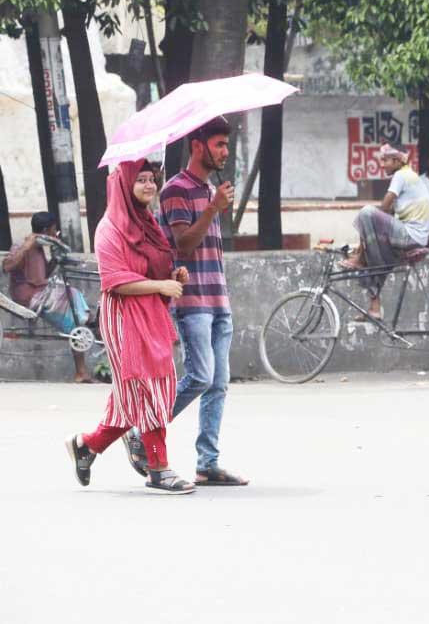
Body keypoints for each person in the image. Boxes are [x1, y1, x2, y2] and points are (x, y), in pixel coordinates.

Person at [123, 117, 248, 486]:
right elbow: (183, 246)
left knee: (219, 383)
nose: (225, 151)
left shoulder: (211, 189)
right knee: (199, 376)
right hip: (192, 301)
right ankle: (143, 430)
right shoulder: (176, 189)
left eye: (226, 144)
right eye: (220, 144)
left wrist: (214, 203)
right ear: (198, 146)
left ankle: (207, 463)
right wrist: (212, 208)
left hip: (218, 298)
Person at [63, 160, 195, 494]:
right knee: (145, 388)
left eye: (153, 179)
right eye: (141, 180)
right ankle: (158, 467)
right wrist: (159, 286)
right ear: (124, 184)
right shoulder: (110, 228)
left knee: (139, 392)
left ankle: (88, 445)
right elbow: (115, 281)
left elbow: (155, 268)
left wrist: (172, 277)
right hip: (123, 315)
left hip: (149, 312)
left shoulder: (147, 222)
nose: (150, 186)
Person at [346, 143, 429, 317]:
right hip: (414, 236)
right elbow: (389, 216)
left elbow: (383, 207)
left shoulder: (401, 175)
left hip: (410, 235)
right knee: (376, 257)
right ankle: (374, 308)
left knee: (367, 212)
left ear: (396, 161)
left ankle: (360, 259)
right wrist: (365, 245)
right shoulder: (410, 176)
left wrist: (361, 248)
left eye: (385, 160)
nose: (382, 164)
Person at [4, 212, 94, 382]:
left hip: (41, 292)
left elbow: (43, 274)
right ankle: (81, 369)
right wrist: (26, 246)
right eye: (54, 230)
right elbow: (7, 266)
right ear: (45, 230)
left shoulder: (39, 248)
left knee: (74, 300)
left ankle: (82, 367)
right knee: (74, 311)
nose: (55, 233)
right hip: (31, 297)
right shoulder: (22, 245)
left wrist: (55, 258)